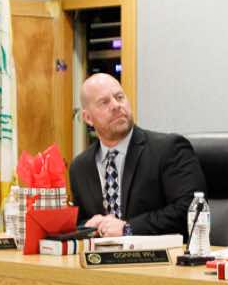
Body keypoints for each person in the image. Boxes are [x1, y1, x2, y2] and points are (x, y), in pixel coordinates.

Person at [67, 74, 205, 238]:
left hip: (160, 253)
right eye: (104, 102)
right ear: (88, 118)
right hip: (102, 254)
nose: (116, 105)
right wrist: (88, 226)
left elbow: (191, 211)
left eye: (119, 97)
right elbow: (79, 221)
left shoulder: (169, 149)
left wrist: (128, 229)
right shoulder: (80, 167)